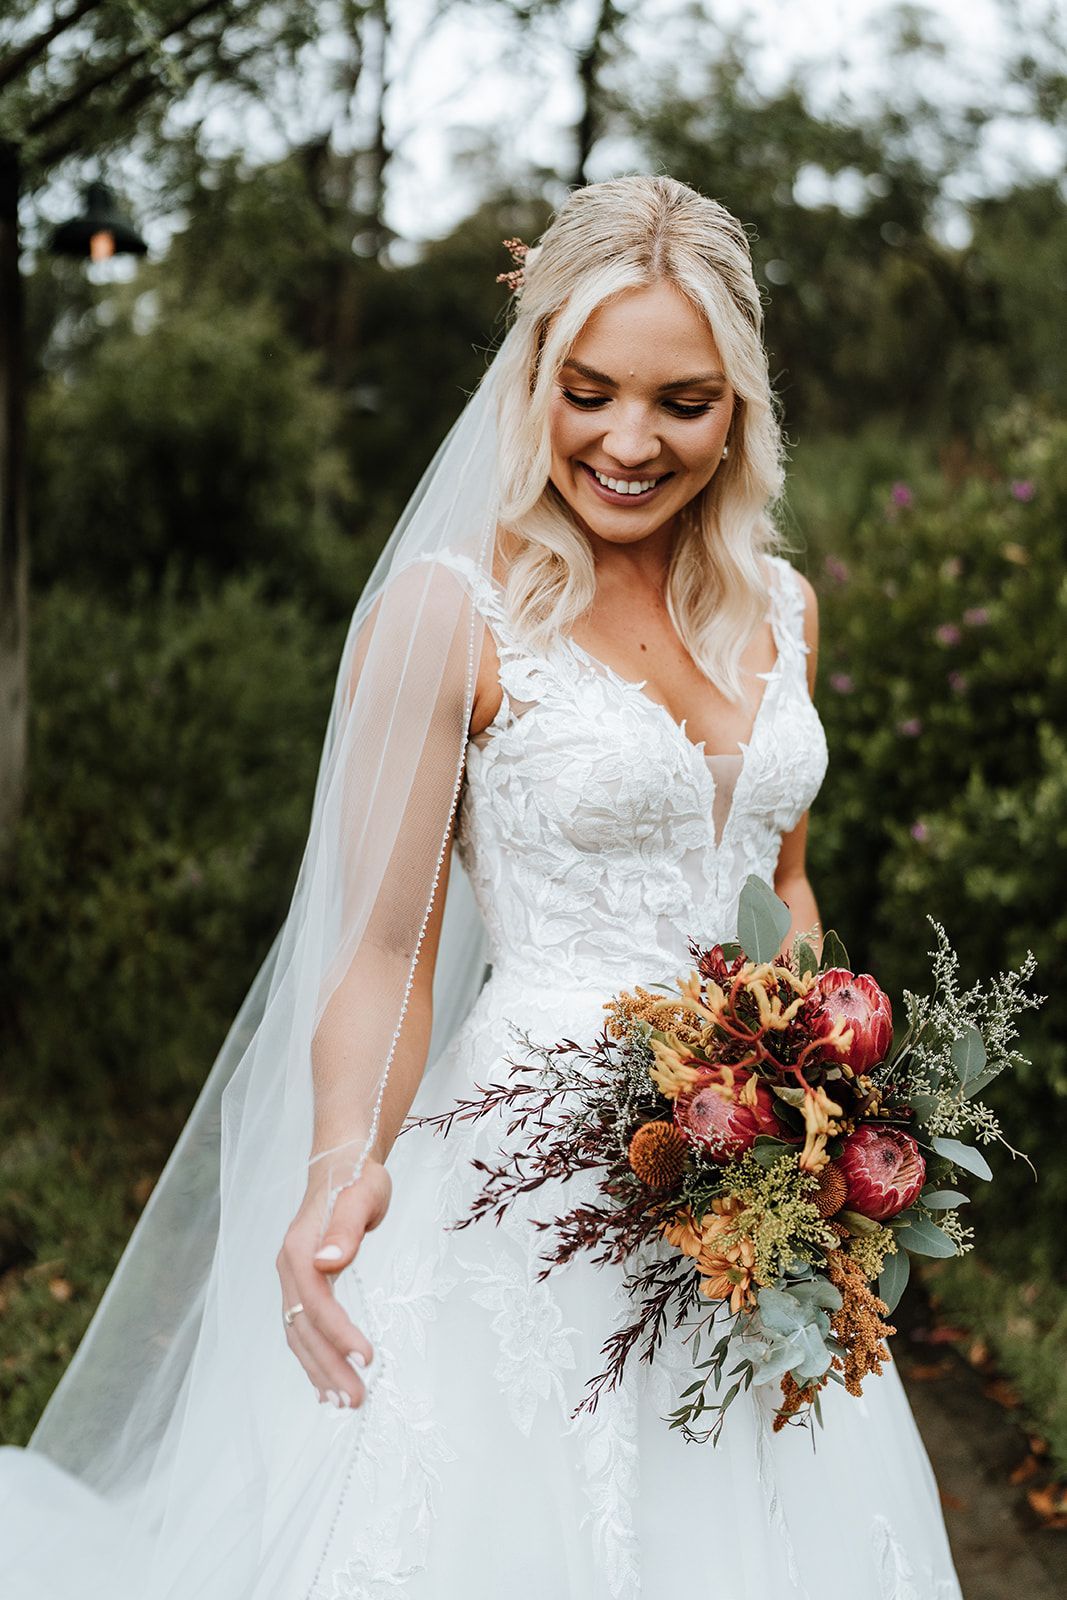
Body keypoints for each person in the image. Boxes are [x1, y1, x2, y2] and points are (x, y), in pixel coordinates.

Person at [0, 174, 963, 1598]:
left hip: (756, 1197)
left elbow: (784, 881)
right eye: (588, 391)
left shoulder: (787, 606)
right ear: (534, 379)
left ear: (742, 403)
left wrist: (824, 1097)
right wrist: (343, 1169)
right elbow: (386, 946)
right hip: (531, 1175)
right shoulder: (455, 610)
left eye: (682, 404)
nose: (628, 443)